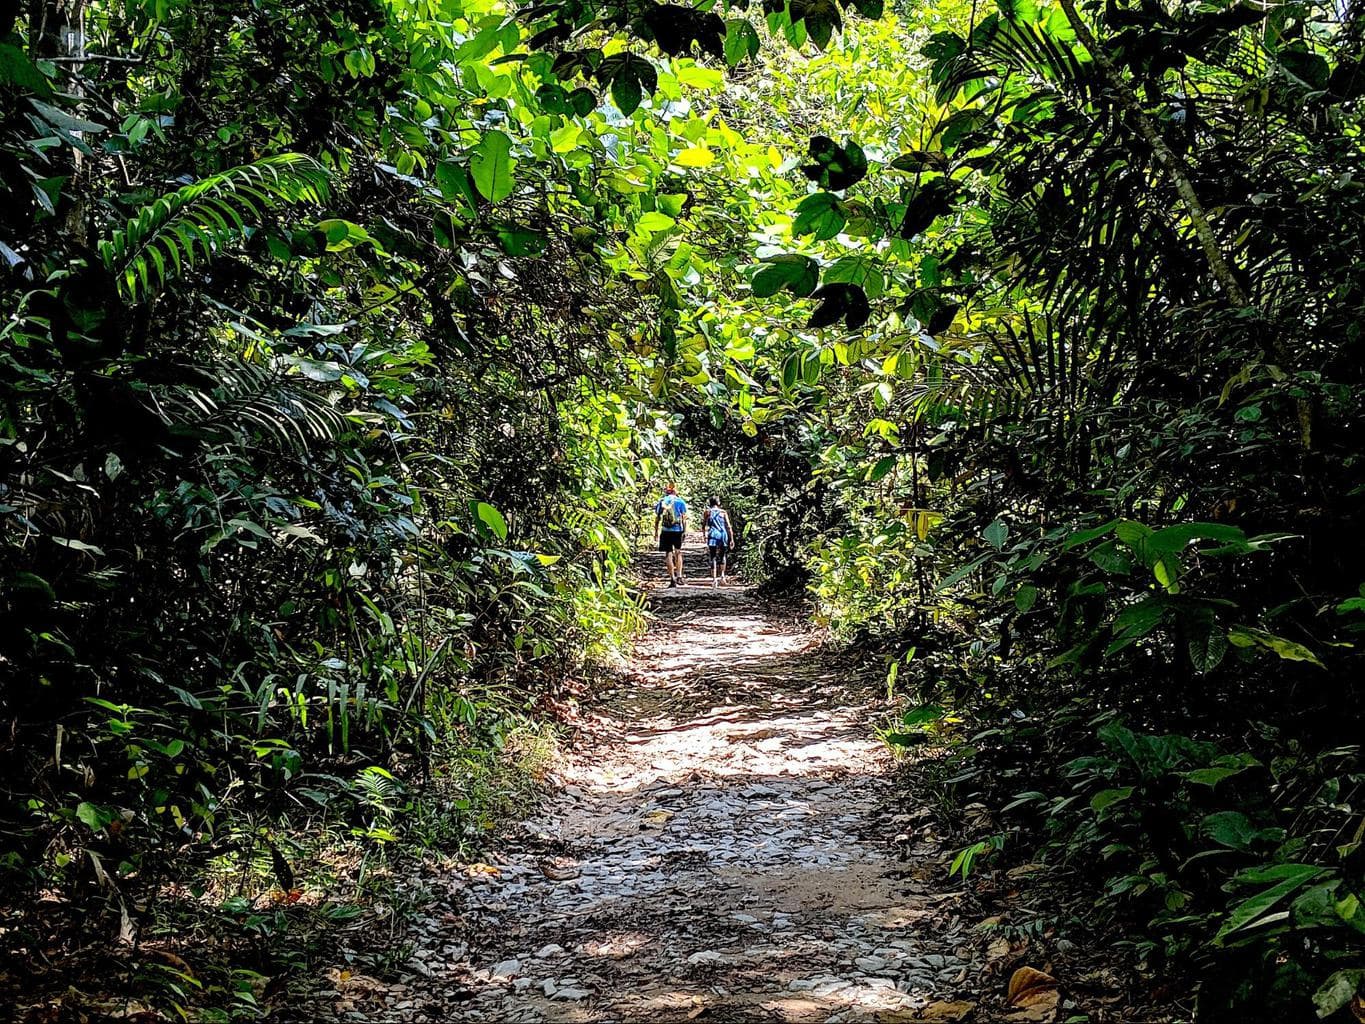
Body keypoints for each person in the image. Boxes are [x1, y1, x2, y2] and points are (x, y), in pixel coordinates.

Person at [654, 483, 687, 587]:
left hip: (665, 530)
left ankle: (672, 578)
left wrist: (655, 532)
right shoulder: (680, 501)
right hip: (677, 530)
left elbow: (658, 517)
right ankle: (679, 576)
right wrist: (684, 531)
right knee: (678, 552)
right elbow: (684, 518)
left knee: (668, 554)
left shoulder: (662, 501)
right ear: (675, 491)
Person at [703, 495, 734, 587]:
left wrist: (704, 535)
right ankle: (722, 577)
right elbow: (728, 526)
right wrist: (731, 538)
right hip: (723, 534)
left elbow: (704, 525)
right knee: (723, 555)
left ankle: (714, 579)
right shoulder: (723, 512)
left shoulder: (707, 512)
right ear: (718, 503)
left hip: (713, 534)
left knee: (713, 556)